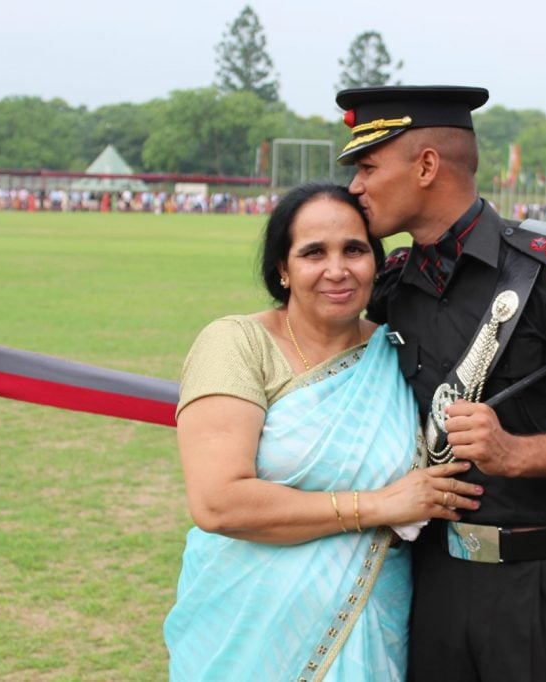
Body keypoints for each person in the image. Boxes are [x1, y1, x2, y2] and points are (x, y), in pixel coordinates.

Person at [335, 86, 546, 681]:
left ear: (427, 165)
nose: (355, 186)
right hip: (429, 580)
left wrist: (515, 453)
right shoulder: (393, 285)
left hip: (541, 588)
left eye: (367, 166)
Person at [163, 182, 483, 681]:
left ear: (375, 264)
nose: (337, 269)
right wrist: (377, 505)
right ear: (283, 270)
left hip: (371, 624)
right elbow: (217, 502)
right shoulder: (236, 344)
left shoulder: (399, 354)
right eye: (313, 252)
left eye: (354, 250)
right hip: (248, 630)